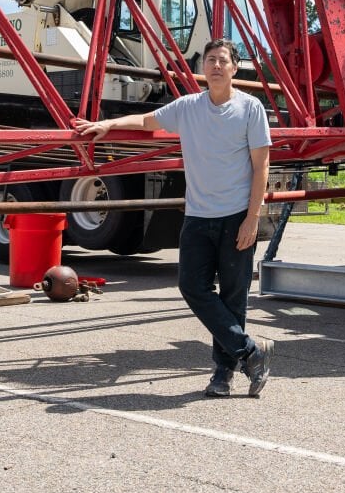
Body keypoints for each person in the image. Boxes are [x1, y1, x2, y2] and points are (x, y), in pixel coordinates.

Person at [74, 38, 273, 397]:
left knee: (233, 296)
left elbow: (262, 167)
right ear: (203, 68)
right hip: (197, 216)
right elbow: (147, 119)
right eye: (209, 60)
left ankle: (223, 374)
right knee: (191, 287)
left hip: (236, 216)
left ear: (234, 67)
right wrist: (107, 124)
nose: (215, 66)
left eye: (222, 60)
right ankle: (250, 353)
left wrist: (252, 218)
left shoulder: (250, 108)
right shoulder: (188, 107)